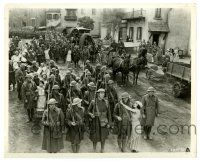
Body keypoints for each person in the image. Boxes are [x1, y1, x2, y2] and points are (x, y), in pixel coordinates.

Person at [88, 88, 111, 153]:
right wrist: (91, 114)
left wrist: (109, 123)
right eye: (101, 93)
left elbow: (109, 113)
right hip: (95, 121)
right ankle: (94, 149)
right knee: (95, 135)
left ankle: (102, 148)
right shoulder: (93, 102)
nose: (102, 94)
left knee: (103, 135)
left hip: (103, 121)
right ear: (98, 94)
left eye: (103, 93)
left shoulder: (106, 102)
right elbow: (88, 111)